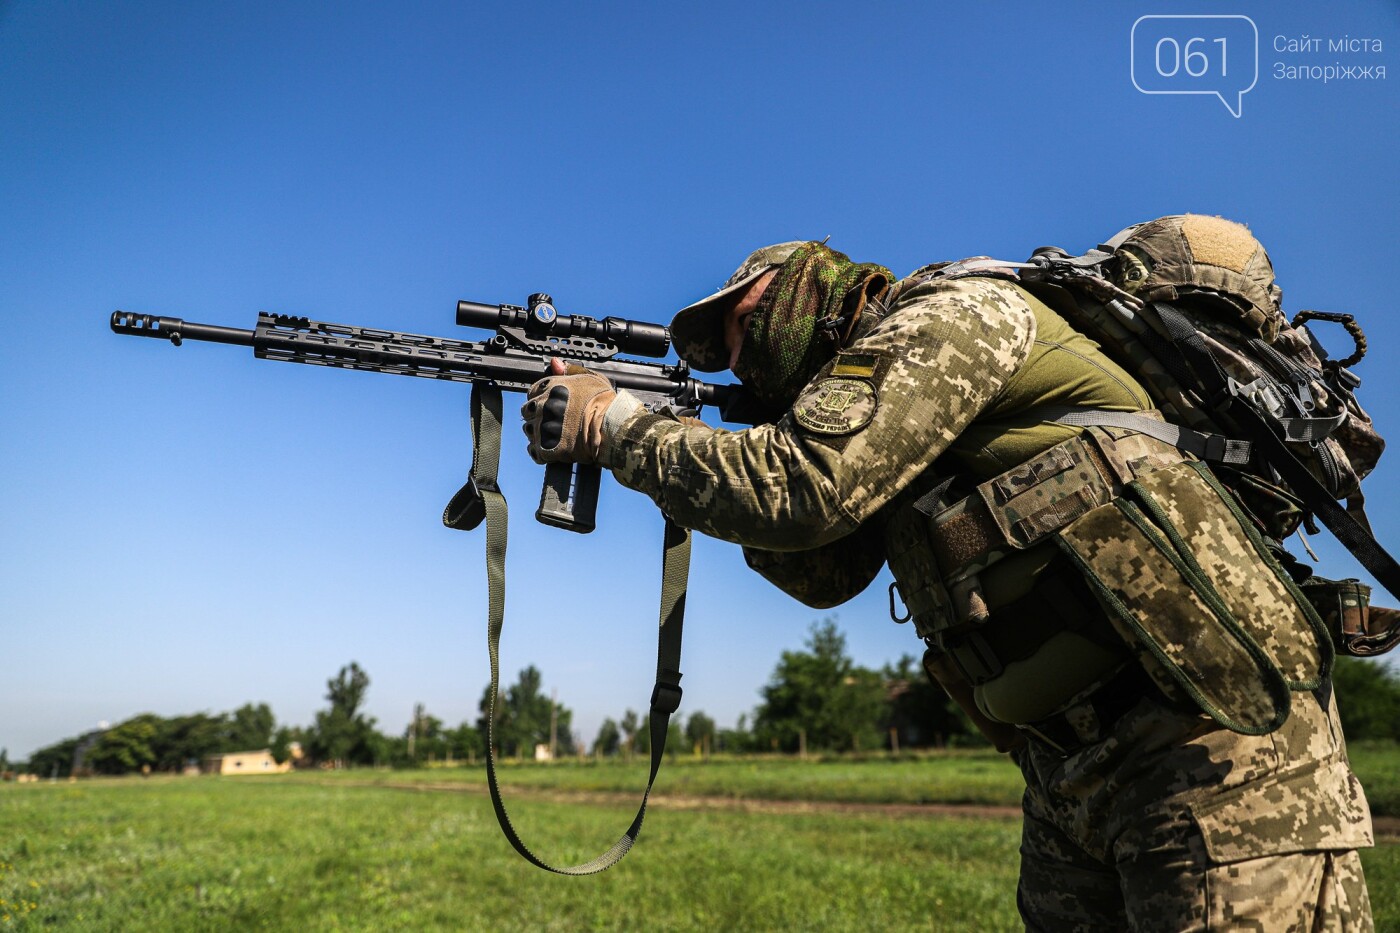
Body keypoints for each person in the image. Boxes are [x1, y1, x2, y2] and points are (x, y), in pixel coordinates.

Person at [521, 226, 1375, 931]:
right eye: (726, 356)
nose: (738, 360)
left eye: (744, 324)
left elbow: (801, 488)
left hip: (1214, 745)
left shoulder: (946, 318)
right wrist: (687, 450)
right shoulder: (875, 415)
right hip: (1068, 772)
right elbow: (822, 569)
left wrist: (619, 428)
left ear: (810, 287)